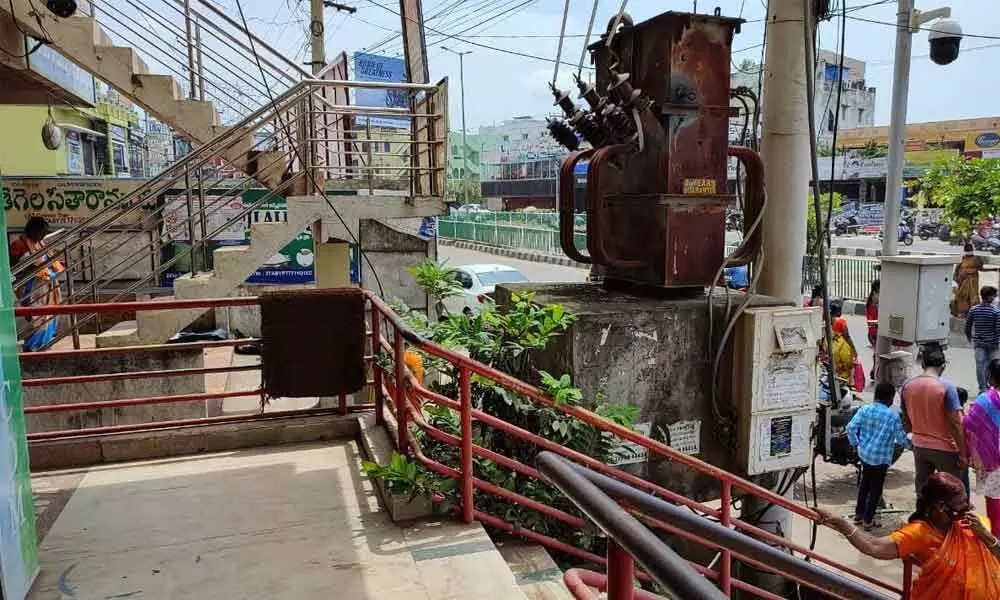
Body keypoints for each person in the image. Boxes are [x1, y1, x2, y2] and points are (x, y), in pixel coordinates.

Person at [814, 472, 1000, 600]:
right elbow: (874, 546)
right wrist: (842, 523)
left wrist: (985, 535)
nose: (969, 507)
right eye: (962, 503)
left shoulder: (975, 526)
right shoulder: (920, 533)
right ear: (942, 507)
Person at [900, 343, 968, 495]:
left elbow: (906, 420)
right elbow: (955, 423)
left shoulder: (907, 386)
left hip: (919, 446)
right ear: (943, 366)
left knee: (924, 492)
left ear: (923, 364)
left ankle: (923, 518)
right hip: (945, 448)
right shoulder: (947, 387)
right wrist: (963, 454)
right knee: (953, 492)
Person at [847, 382, 912, 531]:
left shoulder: (864, 409)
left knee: (865, 484)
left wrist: (855, 443)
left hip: (864, 454)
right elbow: (901, 439)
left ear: (875, 395)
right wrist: (912, 445)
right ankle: (868, 520)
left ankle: (859, 515)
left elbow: (850, 427)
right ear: (890, 399)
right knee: (876, 489)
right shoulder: (892, 416)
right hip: (881, 459)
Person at [9, 217, 64, 352]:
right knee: (37, 317)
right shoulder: (18, 245)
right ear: (33, 231)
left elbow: (49, 260)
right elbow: (13, 267)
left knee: (50, 314)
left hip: (46, 286)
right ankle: (33, 347)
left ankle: (45, 343)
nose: (43, 236)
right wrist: (30, 264)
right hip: (31, 288)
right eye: (41, 233)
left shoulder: (41, 243)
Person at [964, 359, 1000, 537]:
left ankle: (996, 541)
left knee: (994, 503)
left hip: (991, 459)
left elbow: (969, 424)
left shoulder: (984, 400)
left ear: (990, 378)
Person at [966, 285, 1000, 392]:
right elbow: (998, 329)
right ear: (989, 297)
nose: (994, 298)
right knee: (993, 366)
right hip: (993, 344)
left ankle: (982, 388)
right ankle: (993, 387)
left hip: (979, 343)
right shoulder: (996, 312)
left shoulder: (974, 309)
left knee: (980, 366)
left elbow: (968, 325)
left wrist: (969, 336)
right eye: (994, 296)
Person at [953, 243, 990, 318]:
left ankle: (972, 314)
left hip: (972, 282)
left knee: (972, 297)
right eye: (968, 250)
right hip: (963, 282)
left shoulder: (976, 259)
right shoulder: (963, 259)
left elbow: (980, 267)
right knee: (963, 297)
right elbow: (956, 271)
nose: (969, 252)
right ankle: (964, 313)